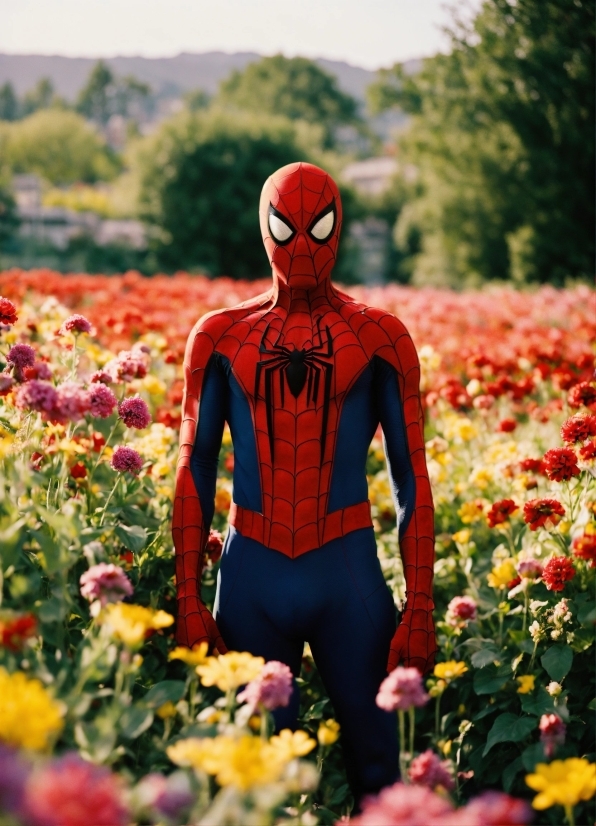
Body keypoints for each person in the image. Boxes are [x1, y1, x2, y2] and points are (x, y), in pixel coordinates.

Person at [172, 162, 436, 801]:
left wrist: (423, 603)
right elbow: (195, 465)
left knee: (383, 771)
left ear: (338, 228)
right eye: (285, 229)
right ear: (263, 230)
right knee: (256, 778)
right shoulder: (219, 335)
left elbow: (412, 476)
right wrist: (185, 595)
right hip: (254, 574)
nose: (301, 248)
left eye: (316, 229)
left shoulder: (379, 336)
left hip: (343, 573)